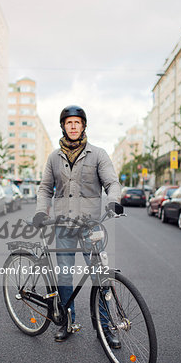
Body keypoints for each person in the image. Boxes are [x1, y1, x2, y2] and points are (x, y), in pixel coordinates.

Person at [33, 105, 122, 346]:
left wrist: (113, 202)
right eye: (69, 123)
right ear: (63, 126)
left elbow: (112, 183)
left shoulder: (98, 154)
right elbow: (44, 188)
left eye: (77, 122)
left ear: (83, 126)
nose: (73, 126)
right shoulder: (54, 156)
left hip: (91, 225)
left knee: (100, 276)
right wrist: (42, 211)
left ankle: (105, 327)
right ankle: (67, 321)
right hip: (63, 226)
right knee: (64, 275)